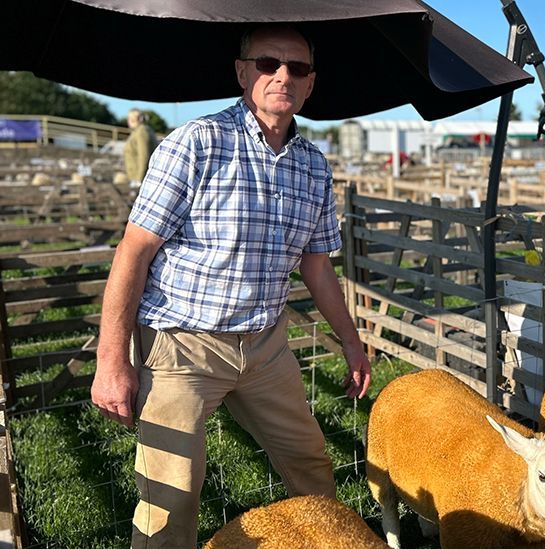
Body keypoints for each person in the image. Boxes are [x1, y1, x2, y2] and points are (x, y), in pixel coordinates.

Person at [91, 25, 371, 548]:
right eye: (268, 63)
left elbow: (317, 266)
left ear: (311, 84)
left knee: (311, 465)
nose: (282, 75)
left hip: (265, 347)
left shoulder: (313, 165)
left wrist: (351, 342)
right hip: (182, 346)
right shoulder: (197, 142)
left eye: (298, 68)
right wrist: (112, 361)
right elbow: (135, 250)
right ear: (243, 72)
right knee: (169, 495)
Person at [123, 108, 157, 187]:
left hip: (140, 179)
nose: (128, 120)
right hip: (137, 177)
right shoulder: (139, 131)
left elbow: (144, 156)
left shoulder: (141, 132)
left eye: (130, 118)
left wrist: (139, 179)